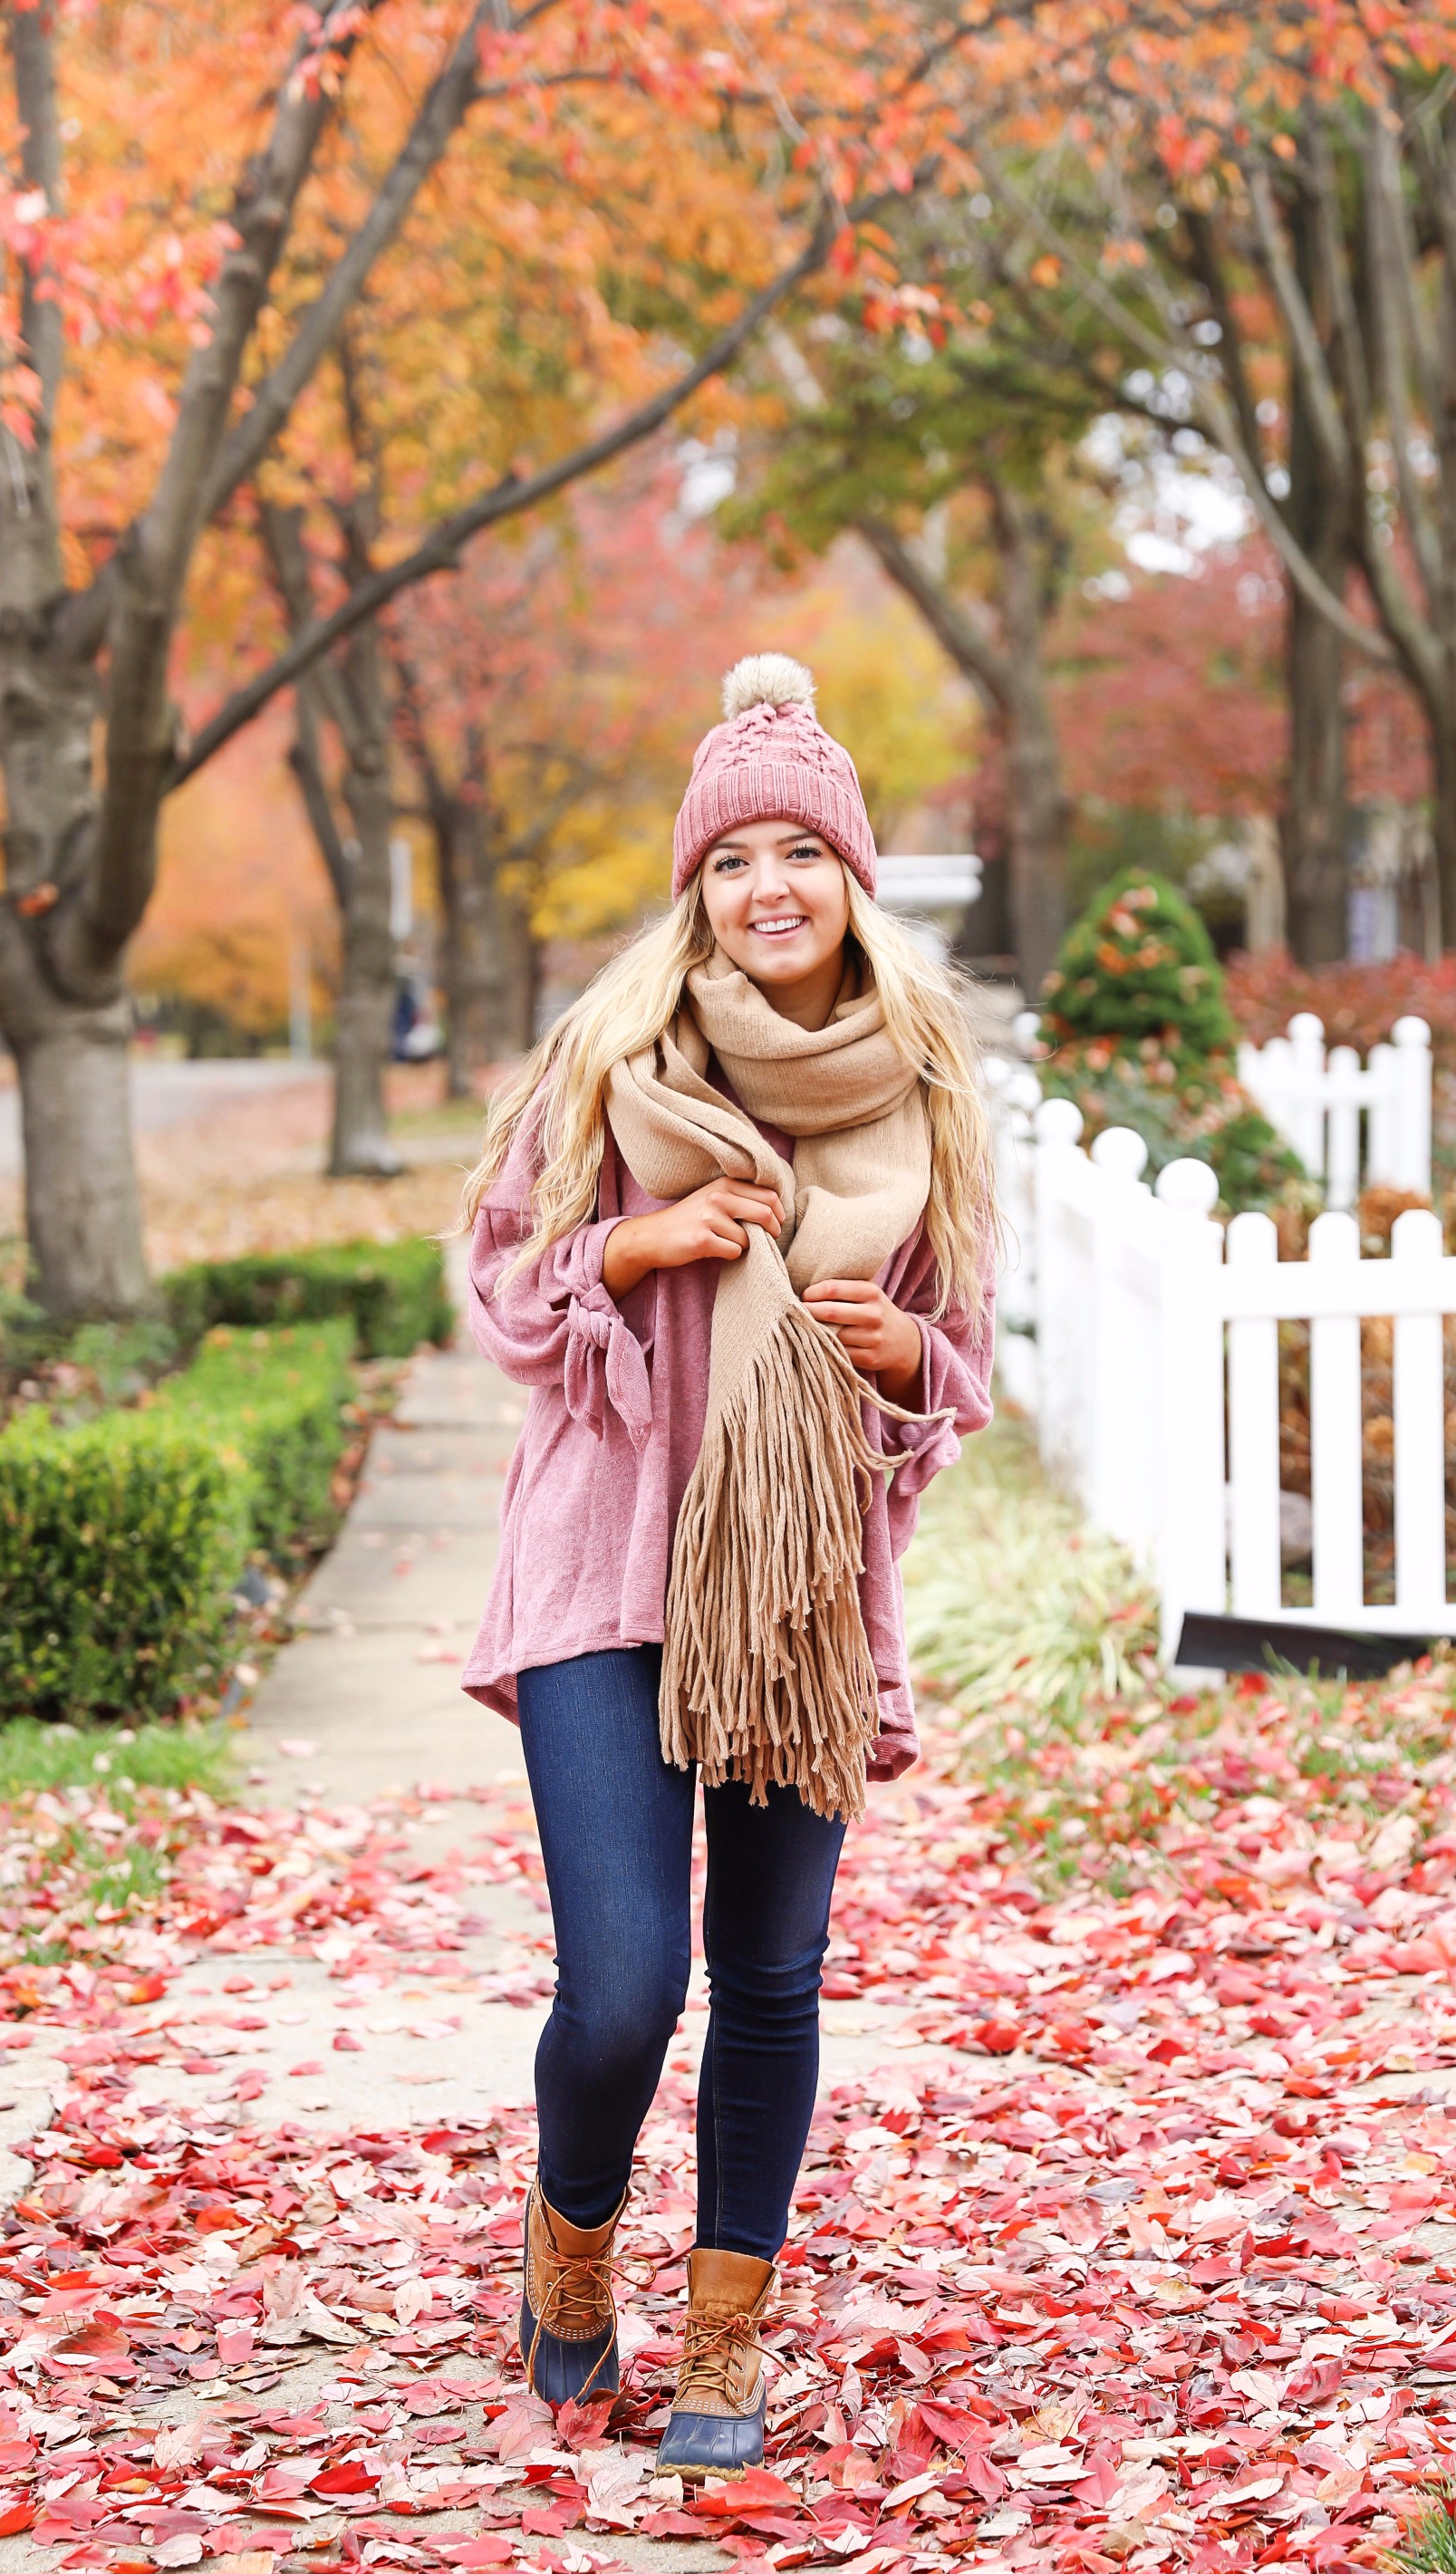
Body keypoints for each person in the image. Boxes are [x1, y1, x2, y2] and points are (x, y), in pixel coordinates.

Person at [460, 657, 997, 2478]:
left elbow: (966, 1354)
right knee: (624, 1981)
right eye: (732, 856)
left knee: (769, 1973)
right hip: (607, 1563)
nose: (769, 885)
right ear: (694, 886)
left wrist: (908, 1358)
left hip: (796, 1599)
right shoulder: (615, 1060)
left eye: (804, 852)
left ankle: (727, 2340)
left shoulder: (918, 1093)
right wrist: (635, 1245)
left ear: (854, 879)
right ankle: (567, 2245)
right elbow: (496, 1282)